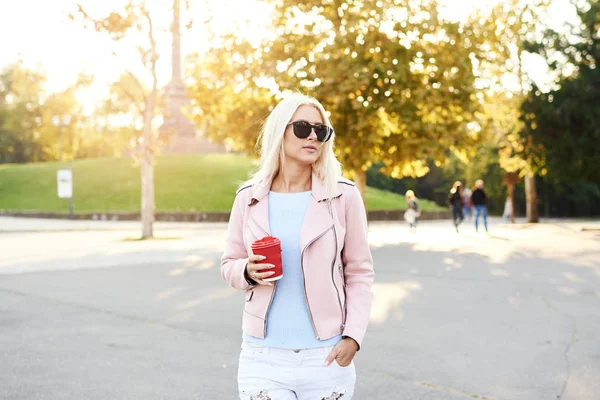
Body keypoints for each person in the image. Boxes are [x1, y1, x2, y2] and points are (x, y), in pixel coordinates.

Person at [221, 94, 374, 400]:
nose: (314, 136)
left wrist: (353, 337)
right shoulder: (248, 198)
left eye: (322, 130)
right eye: (303, 128)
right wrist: (247, 271)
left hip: (327, 357)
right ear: (281, 130)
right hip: (262, 357)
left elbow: (359, 273)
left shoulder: (343, 196)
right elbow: (230, 264)